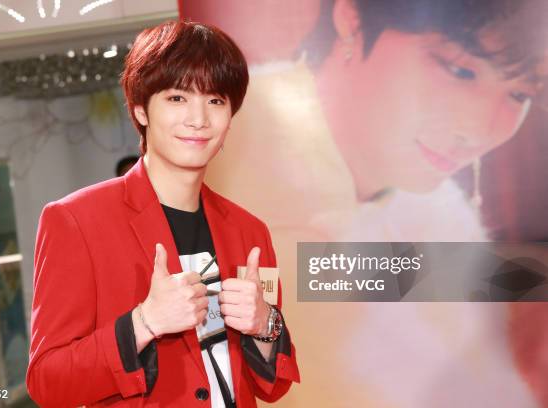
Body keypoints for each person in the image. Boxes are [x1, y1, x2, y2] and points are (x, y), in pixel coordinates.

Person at [192, 1, 548, 406]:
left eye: (520, 94)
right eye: (459, 69)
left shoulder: (435, 204)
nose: (481, 131)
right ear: (352, 18)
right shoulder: (227, 142)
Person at [26, 20, 299, 407]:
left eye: (216, 100)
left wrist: (264, 325)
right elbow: (47, 383)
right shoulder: (75, 221)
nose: (199, 119)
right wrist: (144, 323)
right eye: (177, 98)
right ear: (140, 109)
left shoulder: (249, 231)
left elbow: (273, 386)